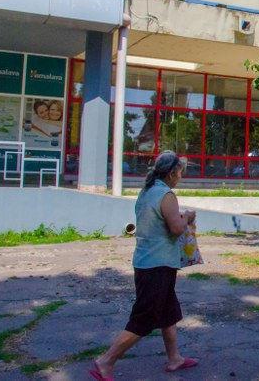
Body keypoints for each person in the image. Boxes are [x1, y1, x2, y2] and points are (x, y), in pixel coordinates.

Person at [91, 151, 198, 380]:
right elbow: (176, 229)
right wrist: (187, 218)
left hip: (146, 262)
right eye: (180, 172)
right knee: (144, 319)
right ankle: (106, 361)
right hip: (158, 265)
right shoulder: (167, 195)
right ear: (172, 173)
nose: (181, 177)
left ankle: (175, 359)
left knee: (168, 313)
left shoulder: (147, 191)